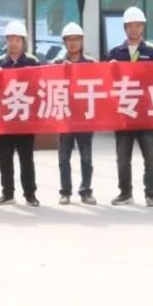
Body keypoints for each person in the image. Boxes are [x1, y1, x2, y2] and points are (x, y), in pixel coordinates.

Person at [107, 6, 153, 207]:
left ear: (143, 27)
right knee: (123, 158)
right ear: (124, 28)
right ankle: (125, 193)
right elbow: (105, 81)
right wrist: (110, 68)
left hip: (147, 114)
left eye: (138, 26)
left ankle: (150, 194)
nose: (134, 29)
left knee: (151, 157)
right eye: (130, 26)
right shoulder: (115, 53)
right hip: (124, 113)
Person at [0, 20, 41, 207]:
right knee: (5, 158)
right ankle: (7, 193)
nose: (13, 43)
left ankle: (30, 194)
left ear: (23, 41)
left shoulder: (32, 62)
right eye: (10, 39)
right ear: (6, 41)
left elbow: (39, 88)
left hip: (25, 119)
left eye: (17, 40)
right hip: (5, 119)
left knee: (26, 158)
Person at [55, 22, 97, 206]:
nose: (73, 43)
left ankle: (86, 191)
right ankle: (65, 191)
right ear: (64, 42)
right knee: (64, 157)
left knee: (86, 157)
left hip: (85, 117)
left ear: (82, 41)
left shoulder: (91, 64)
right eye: (69, 40)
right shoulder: (56, 64)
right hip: (65, 117)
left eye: (76, 39)